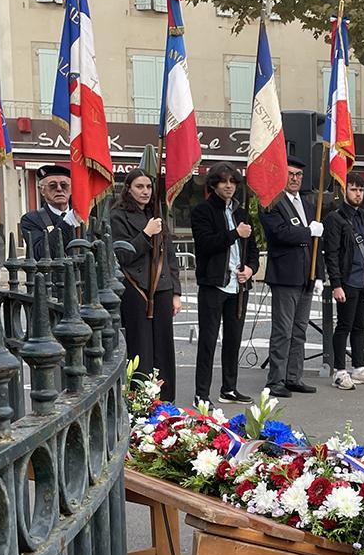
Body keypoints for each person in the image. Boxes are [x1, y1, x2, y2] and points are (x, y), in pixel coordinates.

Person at [110, 169, 183, 401]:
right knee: (141, 347)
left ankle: (165, 400)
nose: (145, 191)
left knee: (163, 349)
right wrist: (145, 233)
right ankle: (140, 400)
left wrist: (176, 292)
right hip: (136, 288)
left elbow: (169, 255)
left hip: (162, 288)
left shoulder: (156, 213)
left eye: (148, 187)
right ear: (129, 189)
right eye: (139, 187)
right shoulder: (117, 216)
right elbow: (122, 254)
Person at [191, 162, 259, 405]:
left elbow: (253, 250)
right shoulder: (202, 211)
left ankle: (229, 388)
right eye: (223, 181)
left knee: (233, 339)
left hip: (238, 286)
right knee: (208, 341)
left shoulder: (242, 213)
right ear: (214, 184)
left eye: (232, 182)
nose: (229, 186)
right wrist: (234, 234)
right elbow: (206, 244)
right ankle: (202, 393)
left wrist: (250, 269)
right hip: (213, 284)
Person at [261, 156, 323, 397]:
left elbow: (318, 244)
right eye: (290, 174)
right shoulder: (272, 203)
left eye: (298, 175)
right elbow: (280, 233)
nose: (295, 179)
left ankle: (293, 377)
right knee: (283, 331)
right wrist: (308, 231)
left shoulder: (307, 204)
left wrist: (318, 275)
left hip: (306, 275)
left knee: (299, 331)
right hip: (285, 276)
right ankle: (275, 380)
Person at [322, 172, 364, 391]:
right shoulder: (334, 218)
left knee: (359, 326)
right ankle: (339, 371)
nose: (358, 194)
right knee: (344, 326)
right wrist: (336, 283)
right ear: (343, 190)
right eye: (353, 189)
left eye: (361, 190)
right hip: (346, 281)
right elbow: (332, 253)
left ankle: (358, 367)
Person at [21, 165, 83, 259]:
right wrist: (68, 222)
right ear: (42, 191)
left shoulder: (84, 218)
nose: (59, 189)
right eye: (52, 186)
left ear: (71, 189)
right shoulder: (31, 219)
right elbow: (40, 254)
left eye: (64, 185)